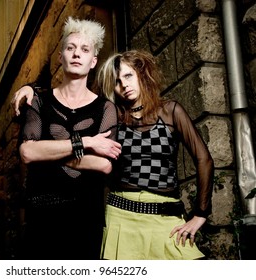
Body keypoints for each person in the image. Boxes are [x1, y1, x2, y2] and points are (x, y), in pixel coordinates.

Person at [13, 17, 121, 260]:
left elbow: (103, 164)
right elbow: (27, 153)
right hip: (41, 217)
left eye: (84, 50)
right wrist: (87, 142)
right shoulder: (39, 101)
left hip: (85, 220)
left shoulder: (105, 109)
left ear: (93, 61)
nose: (76, 54)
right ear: (60, 56)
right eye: (70, 48)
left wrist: (46, 152)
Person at [96, 50, 214, 260]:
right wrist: (31, 89)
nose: (124, 85)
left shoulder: (170, 111)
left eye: (128, 76)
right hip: (122, 217)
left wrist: (200, 214)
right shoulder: (112, 117)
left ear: (141, 74)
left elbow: (203, 159)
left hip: (166, 217)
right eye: (116, 81)